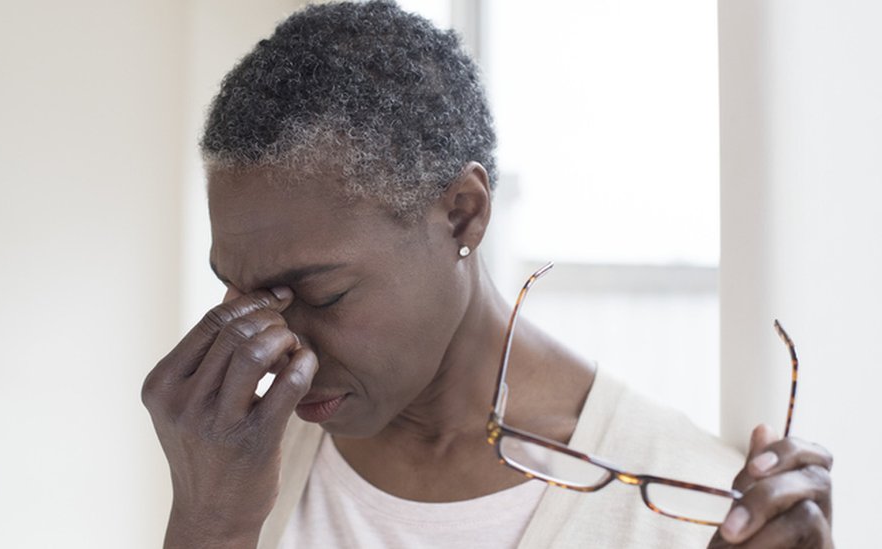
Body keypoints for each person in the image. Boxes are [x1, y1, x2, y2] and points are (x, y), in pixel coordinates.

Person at [141, 2, 834, 547]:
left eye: (324, 293)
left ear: (464, 215)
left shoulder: (691, 503)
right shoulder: (236, 459)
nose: (278, 348)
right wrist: (210, 528)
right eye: (244, 296)